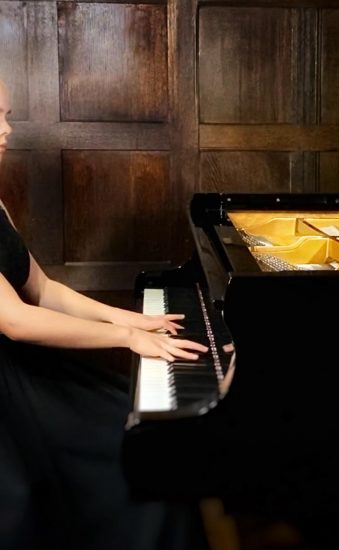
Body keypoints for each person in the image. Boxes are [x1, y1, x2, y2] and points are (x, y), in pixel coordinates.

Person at [0, 79, 210, 549]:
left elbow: (43, 289)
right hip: (10, 394)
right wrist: (125, 339)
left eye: (8, 115)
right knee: (133, 459)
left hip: (31, 371)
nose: (7, 130)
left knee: (150, 443)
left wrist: (127, 319)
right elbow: (13, 320)